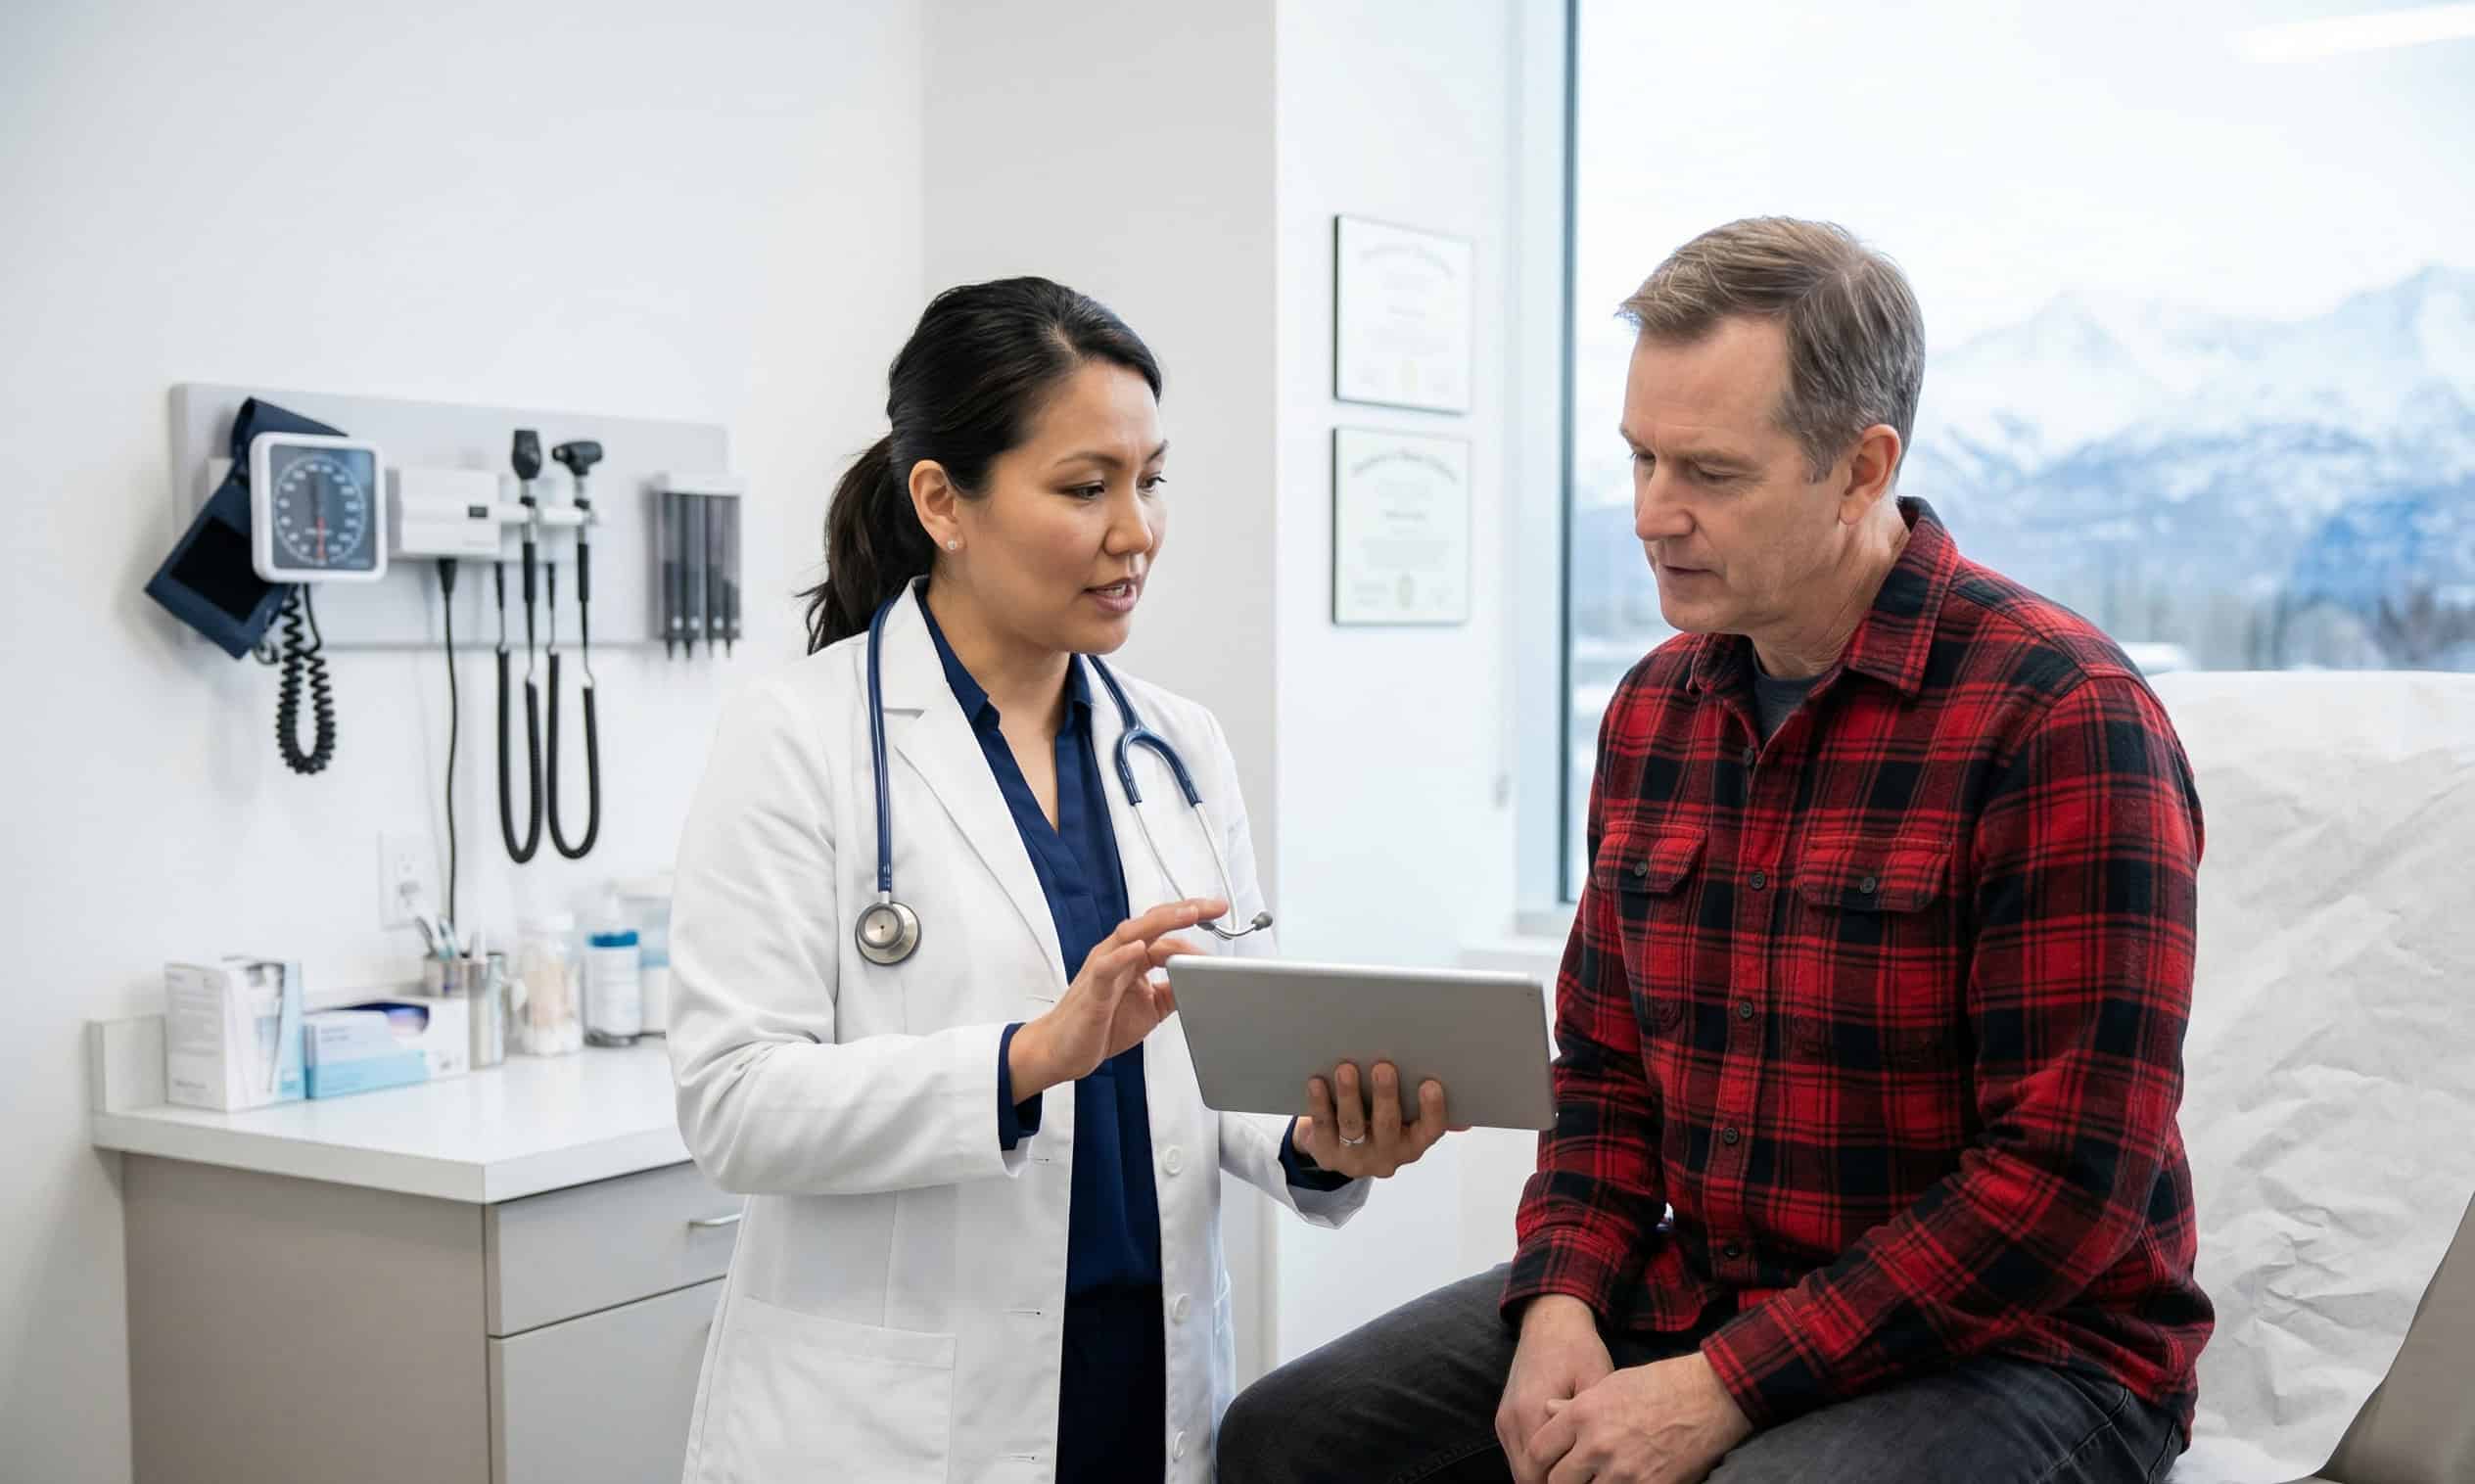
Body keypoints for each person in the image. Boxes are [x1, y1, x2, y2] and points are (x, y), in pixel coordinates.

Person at [1219, 218, 2213, 1484]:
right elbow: (1609, 1070)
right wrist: (1561, 1300)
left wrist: (1725, 1388)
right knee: (1288, 1442)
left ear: (1861, 470)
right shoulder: (1655, 712)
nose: (1650, 513)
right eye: (1638, 458)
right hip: (1704, 1295)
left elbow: (2062, 1185)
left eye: (1709, 473)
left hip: (2030, 1351)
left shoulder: (2062, 719)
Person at [667, 277, 1451, 1483]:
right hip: (903, 1422)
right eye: (1085, 488)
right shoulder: (797, 737)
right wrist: (1029, 1055)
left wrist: (1319, 1139)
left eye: (1148, 480)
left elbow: (1214, 1062)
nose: (1133, 529)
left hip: (1143, 1377)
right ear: (942, 501)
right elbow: (735, 1106)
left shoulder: (1174, 746)